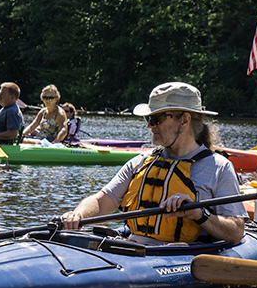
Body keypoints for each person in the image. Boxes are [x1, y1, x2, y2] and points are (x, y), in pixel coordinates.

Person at [61, 82, 245, 245]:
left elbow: (236, 232)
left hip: (181, 258)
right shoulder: (141, 162)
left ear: (185, 120)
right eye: (148, 119)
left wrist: (198, 213)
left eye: (157, 119)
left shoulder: (219, 168)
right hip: (134, 250)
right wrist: (78, 215)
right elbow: (102, 202)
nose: (150, 126)